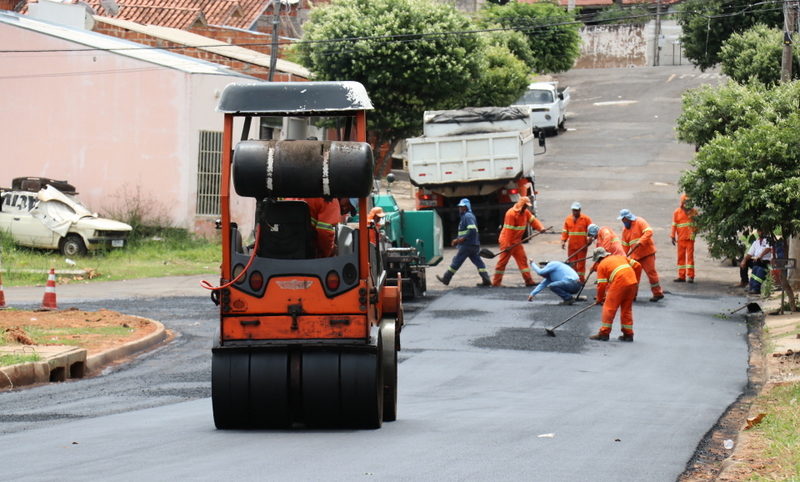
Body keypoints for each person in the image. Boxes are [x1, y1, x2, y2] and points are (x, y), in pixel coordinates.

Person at [492, 196, 547, 287]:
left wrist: (541, 228)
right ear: (521, 204)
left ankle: (529, 281)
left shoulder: (525, 213)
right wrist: (507, 245)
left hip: (516, 242)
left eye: (527, 206)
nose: (526, 207)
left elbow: (533, 221)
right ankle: (496, 283)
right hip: (507, 241)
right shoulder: (511, 214)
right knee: (502, 262)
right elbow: (508, 231)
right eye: (525, 205)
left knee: (522, 260)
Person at [436, 198, 492, 287]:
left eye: (462, 207)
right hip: (473, 245)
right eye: (460, 206)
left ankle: (446, 279)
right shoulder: (467, 216)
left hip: (467, 245)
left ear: (466, 207)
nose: (460, 208)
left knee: (456, 261)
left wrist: (460, 240)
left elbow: (472, 230)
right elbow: (468, 231)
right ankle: (486, 280)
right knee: (479, 262)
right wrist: (459, 240)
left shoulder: (467, 216)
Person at [588, 247, 638, 342]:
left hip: (620, 283)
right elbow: (638, 265)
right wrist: (636, 281)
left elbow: (601, 285)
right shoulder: (620, 257)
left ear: (598, 259)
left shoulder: (602, 265)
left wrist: (600, 299)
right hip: (632, 282)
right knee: (626, 309)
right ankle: (628, 334)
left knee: (609, 308)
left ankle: (604, 333)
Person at [619, 209, 664, 302]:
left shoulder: (639, 222)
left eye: (624, 220)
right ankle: (632, 296)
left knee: (651, 274)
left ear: (628, 218)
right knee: (633, 277)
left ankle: (658, 293)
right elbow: (625, 246)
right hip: (635, 257)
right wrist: (622, 258)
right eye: (622, 220)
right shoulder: (625, 231)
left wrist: (641, 241)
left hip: (647, 254)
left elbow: (649, 232)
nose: (623, 222)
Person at [561, 202, 593, 282]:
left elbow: (591, 230)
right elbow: (565, 231)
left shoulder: (586, 219)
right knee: (572, 264)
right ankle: (574, 279)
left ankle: (581, 280)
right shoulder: (568, 219)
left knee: (581, 264)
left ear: (579, 210)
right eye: (573, 210)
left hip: (582, 246)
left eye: (576, 210)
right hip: (571, 246)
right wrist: (563, 241)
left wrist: (590, 238)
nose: (575, 212)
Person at [670, 194, 698, 283]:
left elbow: (697, 225)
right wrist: (673, 236)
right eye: (685, 202)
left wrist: (694, 233)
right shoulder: (677, 212)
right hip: (681, 239)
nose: (687, 204)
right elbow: (674, 225)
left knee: (690, 258)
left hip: (690, 239)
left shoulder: (694, 212)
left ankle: (690, 276)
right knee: (680, 258)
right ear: (682, 202)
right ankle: (681, 276)